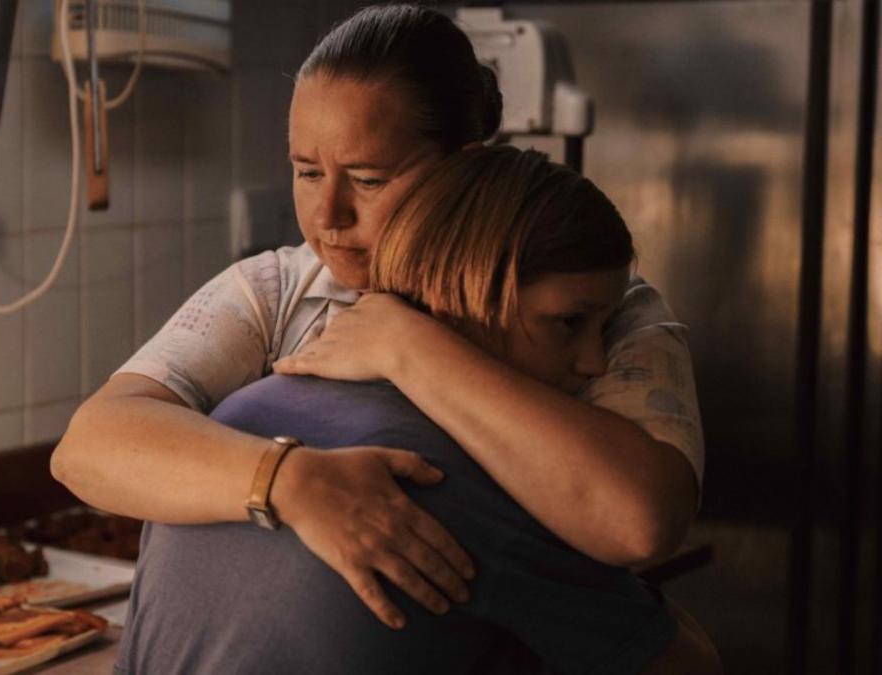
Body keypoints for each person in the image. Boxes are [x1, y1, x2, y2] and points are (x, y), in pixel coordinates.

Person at [52, 2, 703, 635]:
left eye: (366, 178)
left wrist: (406, 345)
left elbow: (640, 523)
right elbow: (89, 447)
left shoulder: (595, 310)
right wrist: (291, 480)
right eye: (308, 171)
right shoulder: (275, 289)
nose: (328, 213)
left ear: (470, 166)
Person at [115, 145, 717, 675]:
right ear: (470, 289)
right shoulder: (461, 475)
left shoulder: (228, 419)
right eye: (569, 323)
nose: (592, 363)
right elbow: (687, 666)